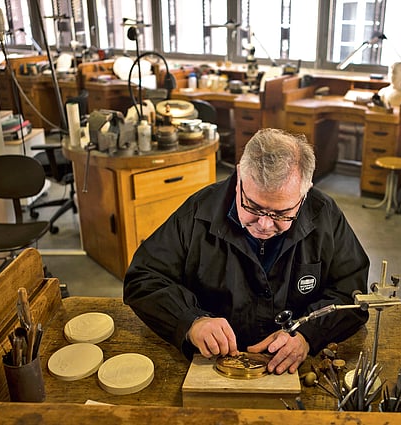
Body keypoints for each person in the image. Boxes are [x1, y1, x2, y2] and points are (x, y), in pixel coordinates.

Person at [123, 128, 370, 375]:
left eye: (281, 214)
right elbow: (143, 279)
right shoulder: (196, 214)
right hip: (211, 365)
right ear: (240, 174)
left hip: (292, 369)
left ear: (304, 192)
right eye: (252, 206)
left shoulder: (325, 216)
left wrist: (308, 336)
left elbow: (352, 294)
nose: (263, 224)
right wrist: (190, 321)